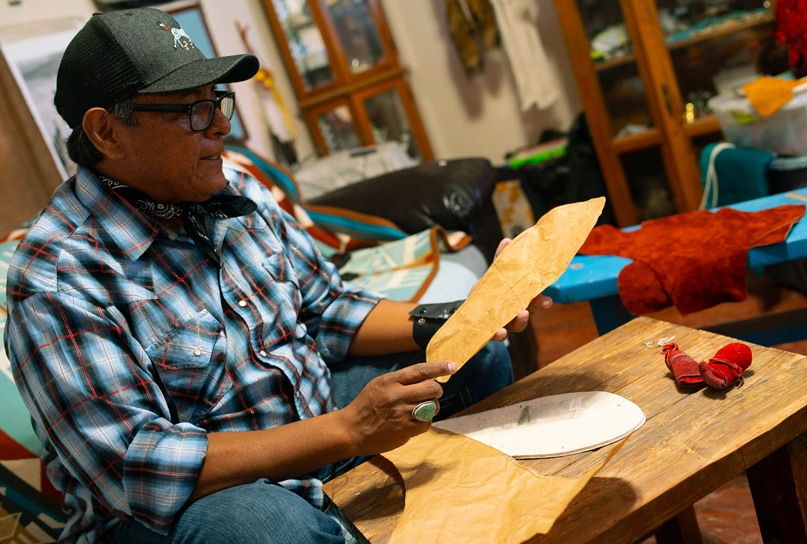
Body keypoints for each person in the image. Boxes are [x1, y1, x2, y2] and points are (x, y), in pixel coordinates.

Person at [4, 8, 550, 544]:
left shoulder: (233, 189)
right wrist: (348, 430)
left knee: (473, 354)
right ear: (107, 131)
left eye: (219, 101)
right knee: (263, 527)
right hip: (195, 502)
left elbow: (327, 308)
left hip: (312, 416)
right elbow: (137, 469)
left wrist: (464, 316)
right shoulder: (56, 276)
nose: (221, 124)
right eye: (193, 111)